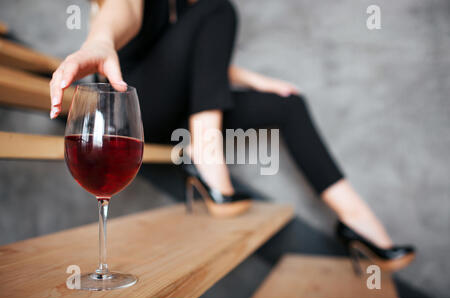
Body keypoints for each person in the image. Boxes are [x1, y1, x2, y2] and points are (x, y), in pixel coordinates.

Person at [49, 0, 414, 271]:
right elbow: (122, 10)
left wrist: (257, 81)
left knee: (288, 104)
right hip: (130, 108)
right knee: (219, 8)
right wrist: (99, 43)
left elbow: (195, 58)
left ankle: (358, 225)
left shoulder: (190, 8)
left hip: (176, 110)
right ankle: (207, 157)